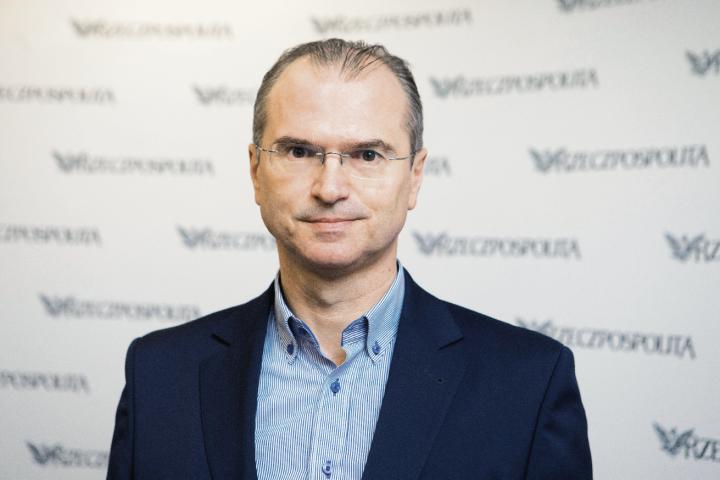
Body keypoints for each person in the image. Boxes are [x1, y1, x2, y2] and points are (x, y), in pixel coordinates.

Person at [107, 38, 592, 480]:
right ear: (255, 171)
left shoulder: (529, 384)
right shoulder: (159, 374)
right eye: (300, 151)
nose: (330, 187)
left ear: (415, 177)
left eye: (367, 155)